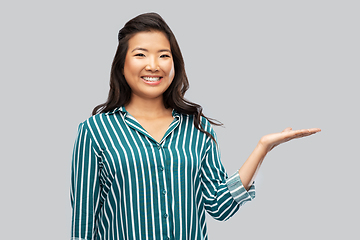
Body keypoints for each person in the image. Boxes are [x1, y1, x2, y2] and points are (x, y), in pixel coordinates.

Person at [70, 12, 321, 240]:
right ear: (121, 65)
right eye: (140, 54)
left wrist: (263, 148)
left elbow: (220, 206)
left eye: (163, 55)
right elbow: (82, 223)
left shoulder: (197, 129)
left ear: (174, 64)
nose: (153, 65)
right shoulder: (95, 131)